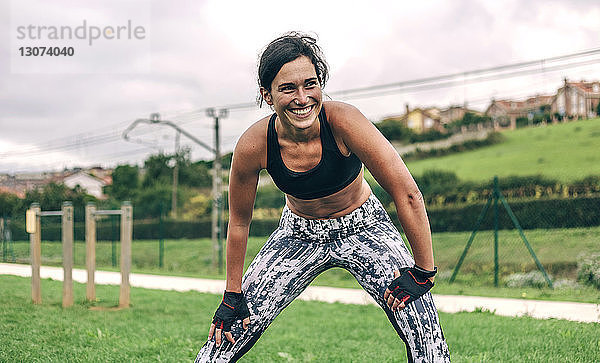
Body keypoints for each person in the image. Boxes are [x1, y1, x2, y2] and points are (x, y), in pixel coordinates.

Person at [195, 32, 451, 363]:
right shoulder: (253, 145)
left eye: (310, 84)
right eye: (287, 88)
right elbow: (240, 220)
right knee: (227, 333)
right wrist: (232, 293)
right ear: (267, 95)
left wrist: (423, 270)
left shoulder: (344, 121)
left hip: (364, 227)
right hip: (298, 235)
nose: (302, 98)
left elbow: (408, 193)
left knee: (425, 333)